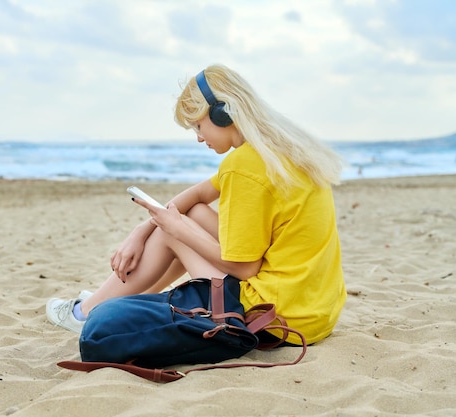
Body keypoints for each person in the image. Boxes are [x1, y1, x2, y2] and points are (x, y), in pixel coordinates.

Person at [47, 64, 346, 346]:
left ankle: (85, 313)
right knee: (188, 215)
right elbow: (197, 195)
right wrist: (140, 230)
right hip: (314, 314)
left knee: (173, 230)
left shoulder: (243, 165)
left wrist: (176, 228)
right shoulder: (281, 151)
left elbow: (245, 267)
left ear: (222, 114)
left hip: (273, 317)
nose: (199, 138)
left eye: (198, 126)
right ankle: (111, 301)